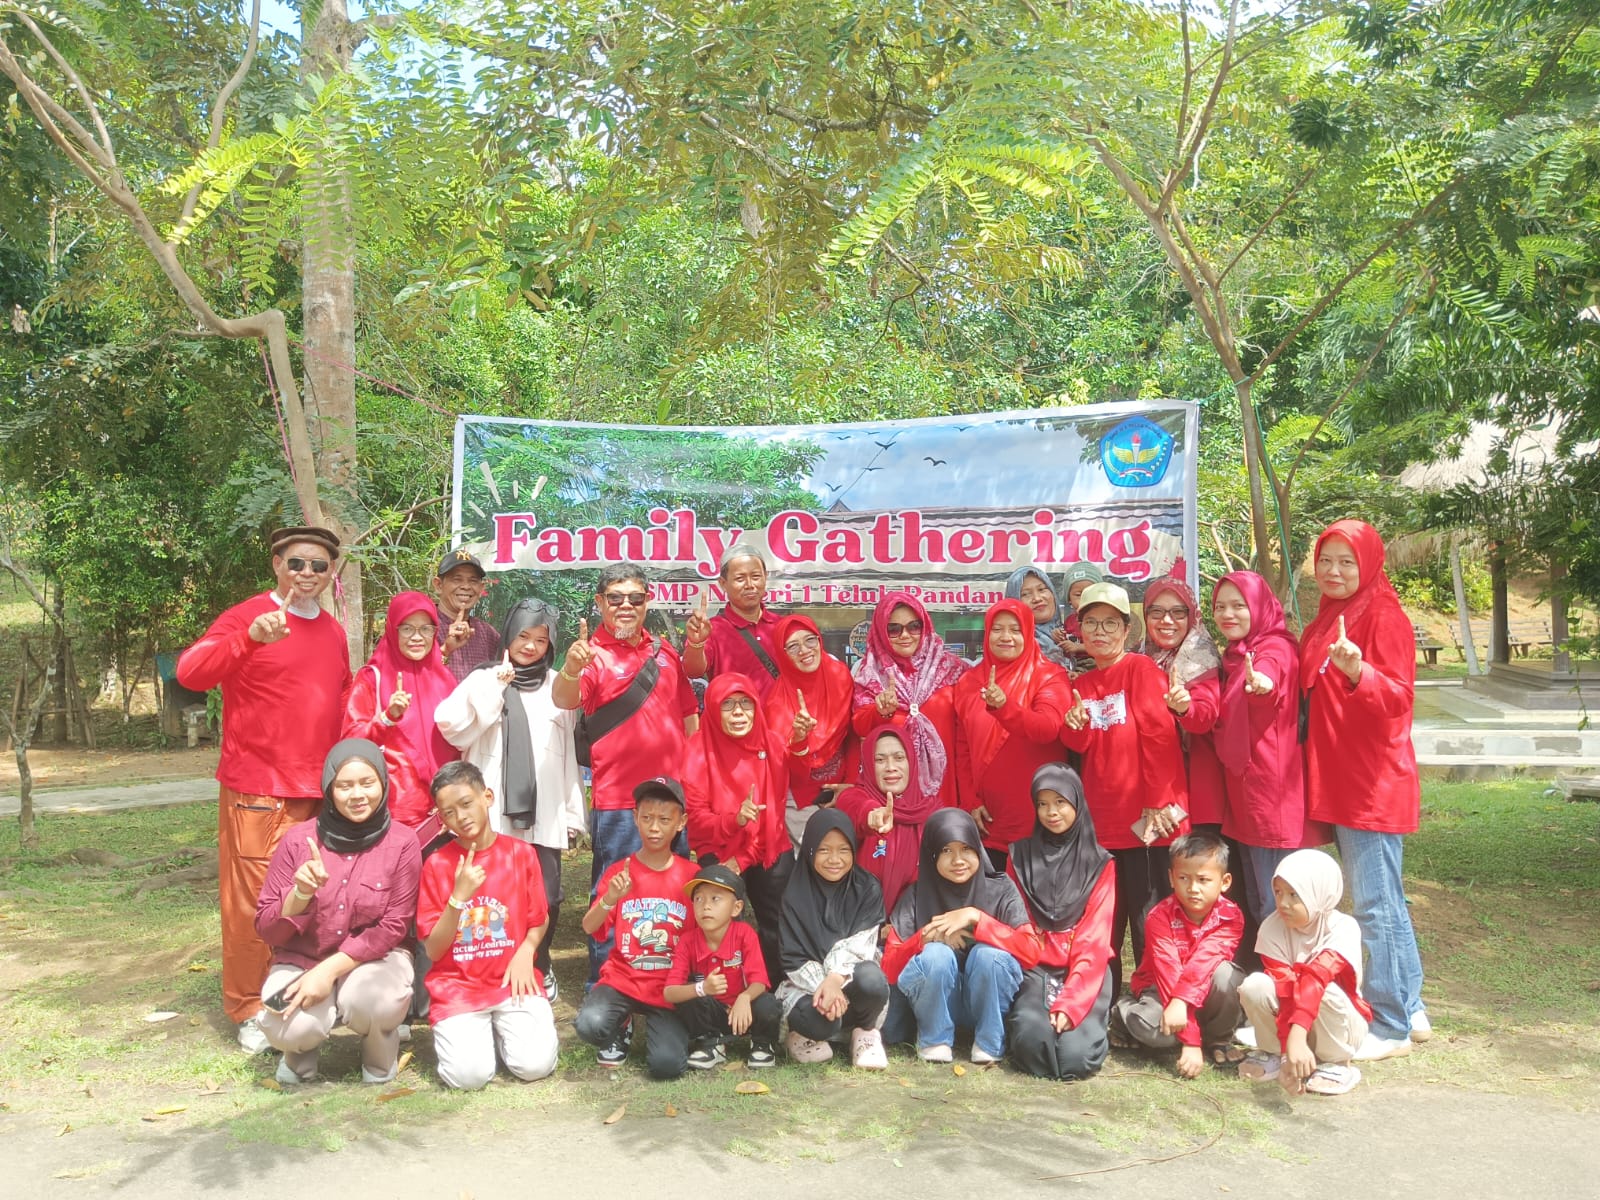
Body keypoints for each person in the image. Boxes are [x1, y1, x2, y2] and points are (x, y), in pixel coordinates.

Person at [177, 525, 352, 1053]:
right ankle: (250, 1007)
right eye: (297, 563)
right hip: (259, 789)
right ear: (277, 564)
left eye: (318, 565)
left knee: (313, 895)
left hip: (319, 792)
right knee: (255, 903)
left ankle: (301, 995)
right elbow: (190, 673)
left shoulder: (332, 630)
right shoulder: (248, 616)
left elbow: (341, 698)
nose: (307, 573)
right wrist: (248, 638)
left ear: (330, 573)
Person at [1299, 519, 1427, 1061]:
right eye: (1326, 560)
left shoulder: (1382, 615)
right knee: (1385, 899)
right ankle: (1412, 1007)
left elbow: (1399, 698)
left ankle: (1392, 1024)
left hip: (1371, 783)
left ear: (1369, 564)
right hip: (1344, 778)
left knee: (1375, 906)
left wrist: (1359, 673)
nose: (1333, 571)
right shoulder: (1332, 615)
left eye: (1346, 561)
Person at [552, 563, 699, 983]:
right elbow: (563, 699)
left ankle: (666, 983)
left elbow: (689, 716)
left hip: (673, 800)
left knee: (672, 895)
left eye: (635, 598)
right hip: (620, 802)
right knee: (615, 894)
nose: (625, 606)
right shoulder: (592, 655)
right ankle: (608, 985)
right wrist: (572, 668)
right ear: (600, 603)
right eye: (615, 598)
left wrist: (693, 781)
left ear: (647, 602)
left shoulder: (665, 653)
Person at [434, 598, 584, 998]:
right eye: (523, 636)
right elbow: (453, 728)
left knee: (547, 895)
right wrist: (496, 686)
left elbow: (567, 754)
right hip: (492, 811)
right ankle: (494, 969)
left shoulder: (558, 686)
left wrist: (573, 814)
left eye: (541, 640)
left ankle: (540, 963)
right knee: (495, 894)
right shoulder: (484, 678)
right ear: (509, 634)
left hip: (544, 808)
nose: (530, 646)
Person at [254, 739, 419, 1085]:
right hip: (304, 958)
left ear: (383, 784)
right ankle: (298, 1059)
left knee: (371, 1001)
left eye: (367, 783)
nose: (357, 795)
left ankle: (379, 1059)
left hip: (376, 961)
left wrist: (328, 971)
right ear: (329, 789)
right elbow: (266, 928)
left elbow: (394, 926)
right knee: (285, 1026)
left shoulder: (402, 843)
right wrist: (299, 894)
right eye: (344, 786)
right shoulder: (297, 841)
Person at [1059, 581, 1189, 994]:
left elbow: (1160, 737)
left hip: (1146, 822)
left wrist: (1156, 802)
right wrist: (1074, 727)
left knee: (1150, 920)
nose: (1099, 632)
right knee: (1104, 923)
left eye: (1110, 623)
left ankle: (1154, 1002)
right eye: (1091, 623)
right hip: (1102, 825)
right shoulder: (1081, 686)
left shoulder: (1141, 670)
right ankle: (1104, 1003)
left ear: (1127, 630)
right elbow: (1079, 746)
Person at [417, 761, 559, 1090]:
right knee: (468, 1077)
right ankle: (481, 1037)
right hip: (459, 988)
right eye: (448, 812)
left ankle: (501, 1033)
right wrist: (458, 898)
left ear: (487, 797)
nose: (461, 816)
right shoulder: (437, 865)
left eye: (466, 803)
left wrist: (527, 951)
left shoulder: (520, 854)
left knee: (535, 1066)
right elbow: (433, 950)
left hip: (513, 982)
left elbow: (539, 918)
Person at [1212, 571, 1327, 925]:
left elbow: (1269, 674)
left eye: (1238, 605)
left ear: (1259, 607)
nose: (1227, 614)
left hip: (1271, 799)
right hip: (1248, 795)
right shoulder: (1235, 654)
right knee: (1259, 899)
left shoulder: (1273, 648)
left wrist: (1262, 683)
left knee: (1277, 905)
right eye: (1220, 606)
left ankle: (1288, 963)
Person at [882, 809, 1031, 1064]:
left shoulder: (1001, 888)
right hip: (935, 1001)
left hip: (988, 998)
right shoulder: (916, 895)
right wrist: (924, 939)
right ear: (932, 854)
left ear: (978, 849)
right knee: (936, 955)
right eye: (946, 851)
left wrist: (978, 919)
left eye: (966, 849)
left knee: (988, 956)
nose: (958, 860)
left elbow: (1031, 949)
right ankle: (934, 1040)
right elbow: (889, 967)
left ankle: (989, 1042)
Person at [574, 777, 698, 1078]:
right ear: (634, 818)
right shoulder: (619, 872)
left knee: (667, 1066)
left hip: (669, 986)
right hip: (623, 980)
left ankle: (665, 1028)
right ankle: (621, 1023)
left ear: (681, 822)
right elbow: (589, 927)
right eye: (647, 818)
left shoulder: (692, 877)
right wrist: (610, 898)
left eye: (664, 820)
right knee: (589, 1024)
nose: (654, 828)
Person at [1004, 764, 1116, 1081]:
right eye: (1042, 803)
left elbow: (1094, 940)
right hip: (1034, 965)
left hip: (1085, 967)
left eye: (1060, 802)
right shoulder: (1020, 857)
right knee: (1032, 1044)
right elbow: (1017, 924)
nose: (1051, 812)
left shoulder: (1099, 863)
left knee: (1075, 1057)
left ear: (1077, 802)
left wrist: (1070, 1004)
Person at [682, 673, 795, 975]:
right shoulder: (697, 750)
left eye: (746, 703)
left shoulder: (772, 745)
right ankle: (728, 989)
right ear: (713, 708)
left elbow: (774, 816)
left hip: (766, 844)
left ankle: (779, 986)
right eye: (727, 704)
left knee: (780, 922)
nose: (738, 712)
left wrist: (743, 858)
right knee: (722, 925)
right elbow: (696, 821)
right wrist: (736, 820)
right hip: (719, 846)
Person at [1237, 849, 1372, 1097]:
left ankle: (1337, 1062)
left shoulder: (1343, 928)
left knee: (1326, 991)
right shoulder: (1271, 927)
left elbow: (1315, 980)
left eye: (1294, 895)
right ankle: (1273, 1053)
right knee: (1255, 984)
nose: (1283, 903)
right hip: (1292, 1023)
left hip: (1341, 1026)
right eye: (1278, 892)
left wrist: (1297, 1039)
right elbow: (1284, 988)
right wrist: (1287, 1053)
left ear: (1319, 893)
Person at [1112, 832, 1246, 1078]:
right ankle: (1123, 1011)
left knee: (1228, 975)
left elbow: (1205, 962)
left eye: (1204, 880)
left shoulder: (1231, 916)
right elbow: (1168, 971)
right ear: (1171, 878)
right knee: (1157, 1034)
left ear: (1224, 881)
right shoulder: (1159, 916)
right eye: (1184, 878)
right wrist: (1190, 1040)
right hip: (1161, 989)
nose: (1193, 888)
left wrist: (1183, 1010)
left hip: (1201, 985)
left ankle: (1219, 1039)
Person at [952, 598, 1072, 867]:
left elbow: (1048, 728)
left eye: (1015, 630)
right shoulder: (968, 681)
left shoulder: (1049, 676)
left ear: (1028, 633)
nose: (1006, 637)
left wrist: (1005, 707)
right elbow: (963, 748)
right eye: (997, 629)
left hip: (1039, 820)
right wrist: (970, 800)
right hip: (988, 822)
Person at [777, 808, 890, 1069]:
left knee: (872, 980)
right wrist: (825, 987)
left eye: (843, 850)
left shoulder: (867, 888)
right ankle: (802, 1035)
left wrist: (834, 980)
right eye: (824, 850)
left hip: (848, 977)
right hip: (809, 987)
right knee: (819, 1023)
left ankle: (865, 1032)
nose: (835, 859)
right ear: (810, 850)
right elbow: (792, 956)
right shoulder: (794, 894)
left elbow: (861, 944)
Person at [342, 591, 460, 833]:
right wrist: (387, 718)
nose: (417, 637)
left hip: (443, 808)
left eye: (425, 629)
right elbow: (349, 742)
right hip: (395, 810)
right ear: (392, 630)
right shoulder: (371, 678)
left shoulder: (445, 678)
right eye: (406, 629)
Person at [851, 591, 968, 811]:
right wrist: (880, 711)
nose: (905, 635)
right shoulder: (871, 674)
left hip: (946, 788)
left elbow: (967, 738)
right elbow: (859, 726)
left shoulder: (952, 670)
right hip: (893, 790)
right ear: (881, 632)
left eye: (914, 626)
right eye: (894, 629)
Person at [662, 863, 782, 1069]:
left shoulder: (744, 934)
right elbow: (670, 992)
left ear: (736, 908)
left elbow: (760, 982)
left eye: (715, 899)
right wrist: (702, 988)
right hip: (713, 1013)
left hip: (744, 1012)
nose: (705, 906)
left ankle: (762, 1044)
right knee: (690, 1000)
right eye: (698, 899)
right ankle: (712, 1044)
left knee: (768, 1004)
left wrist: (744, 998)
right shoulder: (687, 941)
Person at [765, 615, 858, 830]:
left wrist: (850, 785)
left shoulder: (839, 676)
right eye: (793, 646)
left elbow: (853, 736)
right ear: (782, 654)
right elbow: (793, 777)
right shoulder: (777, 703)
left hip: (843, 788)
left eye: (810, 639)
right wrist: (799, 740)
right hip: (801, 801)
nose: (804, 650)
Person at [834, 726, 928, 913]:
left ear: (911, 761)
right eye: (880, 760)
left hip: (914, 922)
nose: (891, 767)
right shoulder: (853, 797)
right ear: (868, 765)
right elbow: (855, 807)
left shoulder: (930, 811)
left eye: (899, 758)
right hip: (860, 921)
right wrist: (872, 815)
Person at [682, 543, 783, 698]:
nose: (749, 585)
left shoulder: (783, 627)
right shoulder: (713, 629)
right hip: (734, 714)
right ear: (723, 584)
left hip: (780, 714)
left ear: (765, 577)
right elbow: (693, 671)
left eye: (756, 577)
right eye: (740, 578)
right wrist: (696, 643)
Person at [434, 549, 501, 683]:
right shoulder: (424, 626)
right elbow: (412, 676)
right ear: (439, 585)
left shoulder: (488, 634)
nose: (466, 586)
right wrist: (445, 650)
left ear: (481, 588)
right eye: (457, 579)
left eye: (473, 581)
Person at [1005, 564, 1072, 666]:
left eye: (1041, 589)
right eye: (1025, 594)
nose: (1037, 598)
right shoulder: (1013, 644)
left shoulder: (1070, 632)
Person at [1056, 562, 1107, 666]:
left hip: (1094, 662)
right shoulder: (1069, 620)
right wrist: (1058, 635)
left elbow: (1103, 645)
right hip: (1072, 663)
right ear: (1069, 599)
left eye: (1090, 593)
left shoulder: (1102, 621)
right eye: (1078, 595)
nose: (1085, 599)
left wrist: (1078, 647)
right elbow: (1067, 640)